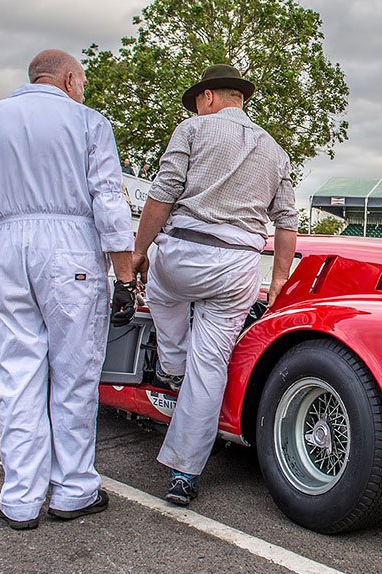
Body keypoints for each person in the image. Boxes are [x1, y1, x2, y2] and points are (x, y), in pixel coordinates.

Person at [0, 49, 136, 530]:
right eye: (84, 82)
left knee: (18, 372)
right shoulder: (87, 121)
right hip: (69, 243)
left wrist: (3, 213)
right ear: (70, 79)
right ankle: (73, 488)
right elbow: (109, 201)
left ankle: (20, 498)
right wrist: (126, 274)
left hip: (6, 243)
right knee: (73, 371)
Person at [132, 64, 297, 507]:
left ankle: (171, 360)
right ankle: (184, 473)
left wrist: (138, 251)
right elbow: (286, 221)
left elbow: (162, 195)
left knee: (161, 294)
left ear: (207, 98)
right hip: (239, 265)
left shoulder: (192, 128)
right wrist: (279, 277)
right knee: (211, 369)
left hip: (185, 251)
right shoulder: (275, 149)